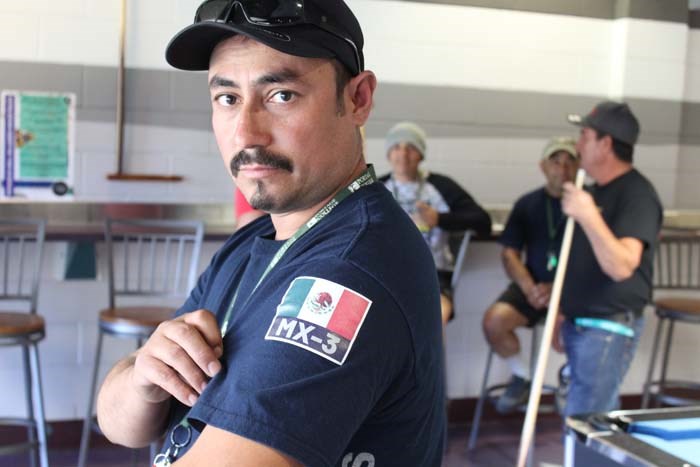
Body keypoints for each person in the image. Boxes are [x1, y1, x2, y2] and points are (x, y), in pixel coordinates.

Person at [95, 1, 446, 466]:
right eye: (227, 98)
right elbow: (120, 424)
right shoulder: (250, 246)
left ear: (357, 99)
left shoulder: (351, 271)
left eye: (281, 94)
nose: (246, 133)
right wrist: (144, 373)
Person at [556, 101, 663, 418]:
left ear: (605, 144)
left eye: (584, 136)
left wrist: (588, 216)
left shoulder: (637, 195)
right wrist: (563, 311)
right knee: (580, 419)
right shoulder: (595, 192)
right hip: (582, 324)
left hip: (607, 327)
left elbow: (621, 265)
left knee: (588, 424)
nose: (577, 145)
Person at [482, 137, 579, 414]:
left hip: (571, 290)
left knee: (578, 333)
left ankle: (568, 379)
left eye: (569, 161)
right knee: (494, 322)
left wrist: (558, 289)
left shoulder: (588, 205)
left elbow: (594, 262)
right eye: (556, 161)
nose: (562, 168)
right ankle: (524, 377)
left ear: (578, 166)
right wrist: (529, 288)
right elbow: (509, 253)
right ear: (543, 166)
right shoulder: (527, 204)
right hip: (532, 287)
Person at [379, 122, 491, 324]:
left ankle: (431, 356)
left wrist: (439, 219)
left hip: (433, 273)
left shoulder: (440, 186)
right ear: (388, 154)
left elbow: (483, 221)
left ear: (421, 154)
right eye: (396, 147)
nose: (403, 154)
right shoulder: (376, 188)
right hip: (386, 272)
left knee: (434, 319)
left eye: (410, 148)